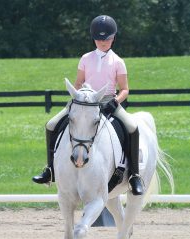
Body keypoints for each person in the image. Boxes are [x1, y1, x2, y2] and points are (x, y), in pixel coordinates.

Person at [32, 15, 143, 195]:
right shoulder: (85, 58)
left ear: (113, 37)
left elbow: (125, 89)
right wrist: (77, 96)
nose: (103, 42)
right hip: (84, 101)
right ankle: (50, 170)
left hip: (108, 102)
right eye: (99, 39)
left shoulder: (118, 62)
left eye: (106, 38)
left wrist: (114, 102)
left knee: (132, 127)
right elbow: (78, 83)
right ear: (93, 38)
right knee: (52, 124)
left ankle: (134, 176)